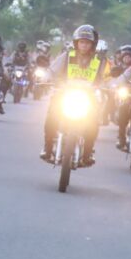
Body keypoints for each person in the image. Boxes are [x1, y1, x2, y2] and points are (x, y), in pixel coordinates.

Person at [39, 25, 107, 166]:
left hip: (88, 96)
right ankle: (47, 147)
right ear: (76, 42)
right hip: (64, 93)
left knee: (93, 124)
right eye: (81, 42)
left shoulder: (99, 60)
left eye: (87, 43)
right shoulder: (67, 56)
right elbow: (52, 70)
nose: (84, 45)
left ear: (92, 45)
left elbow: (105, 78)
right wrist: (44, 78)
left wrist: (109, 86)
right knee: (51, 117)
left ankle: (88, 153)